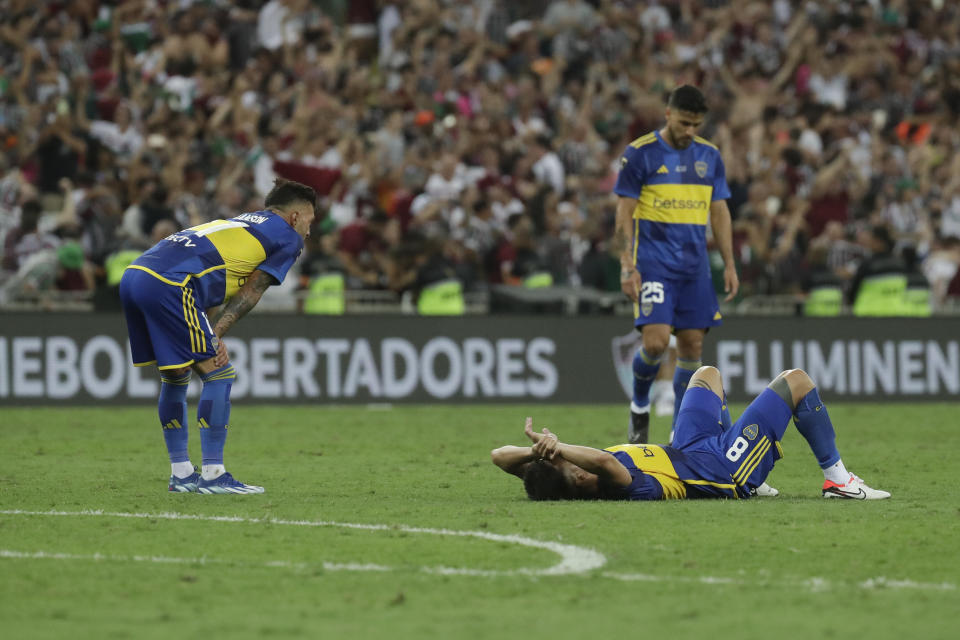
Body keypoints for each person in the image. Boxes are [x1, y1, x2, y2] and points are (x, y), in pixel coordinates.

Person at [119, 178, 316, 494]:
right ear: (294, 217)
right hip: (171, 283)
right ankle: (213, 474)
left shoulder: (244, 223)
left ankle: (182, 474)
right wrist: (216, 336)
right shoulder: (287, 238)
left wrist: (210, 331)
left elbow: (207, 288)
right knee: (220, 374)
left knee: (176, 374)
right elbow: (253, 290)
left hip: (136, 275)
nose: (309, 231)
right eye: (309, 221)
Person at [491, 366, 890, 501]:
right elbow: (603, 458)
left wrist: (536, 453)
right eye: (563, 460)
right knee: (796, 382)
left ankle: (759, 478)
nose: (563, 454)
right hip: (721, 469)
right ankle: (838, 480)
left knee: (706, 375)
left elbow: (498, 456)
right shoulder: (614, 482)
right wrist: (557, 446)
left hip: (689, 448)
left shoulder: (566, 476)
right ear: (578, 476)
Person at [612, 85, 738, 445]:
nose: (689, 131)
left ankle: (679, 435)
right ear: (668, 114)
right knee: (653, 343)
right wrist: (626, 265)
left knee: (692, 346)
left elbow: (720, 211)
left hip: (694, 267)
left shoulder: (709, 156)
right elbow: (624, 214)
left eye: (696, 124)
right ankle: (639, 406)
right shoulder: (641, 154)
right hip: (653, 264)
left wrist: (729, 263)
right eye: (684, 123)